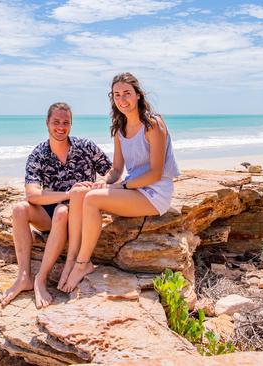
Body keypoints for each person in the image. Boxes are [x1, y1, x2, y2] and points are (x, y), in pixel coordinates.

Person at [58, 72, 181, 293]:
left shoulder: (153, 124)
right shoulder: (120, 128)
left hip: (154, 194)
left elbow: (155, 173)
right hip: (134, 189)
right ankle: (71, 260)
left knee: (93, 200)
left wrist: (119, 187)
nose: (122, 100)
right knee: (79, 192)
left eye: (127, 93)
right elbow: (116, 169)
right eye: (117, 95)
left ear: (138, 95)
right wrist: (103, 182)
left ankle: (82, 263)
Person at [0, 102, 111, 308]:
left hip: (80, 212)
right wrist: (67, 193)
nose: (61, 127)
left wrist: (101, 183)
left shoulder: (85, 147)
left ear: (71, 124)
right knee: (19, 209)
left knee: (62, 210)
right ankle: (24, 276)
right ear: (47, 123)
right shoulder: (39, 154)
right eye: (56, 122)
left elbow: (111, 171)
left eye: (66, 122)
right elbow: (32, 194)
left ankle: (40, 279)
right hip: (51, 210)